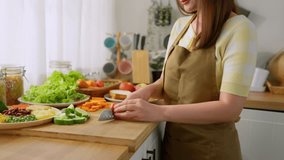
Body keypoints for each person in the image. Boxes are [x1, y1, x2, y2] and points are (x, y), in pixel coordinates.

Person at [113, 0, 257, 159]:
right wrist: (146, 92)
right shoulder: (181, 26)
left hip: (212, 152)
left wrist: (159, 112)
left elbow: (230, 109)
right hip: (173, 148)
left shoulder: (240, 29)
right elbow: (165, 82)